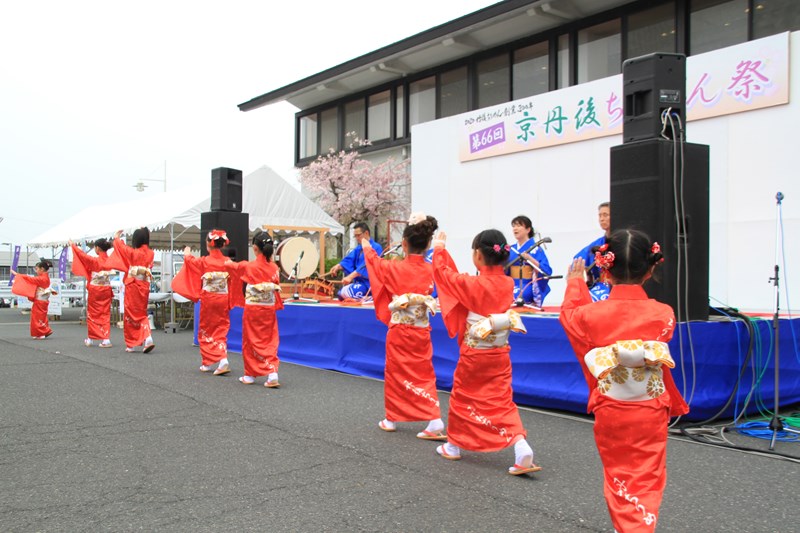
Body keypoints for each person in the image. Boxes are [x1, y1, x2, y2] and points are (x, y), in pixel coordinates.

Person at [559, 229, 689, 532]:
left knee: (618, 471)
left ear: (605, 269)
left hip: (613, 407)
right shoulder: (664, 313)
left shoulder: (590, 315)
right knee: (647, 474)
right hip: (650, 407)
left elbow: (570, 317)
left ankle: (628, 526)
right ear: (651, 267)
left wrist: (576, 284)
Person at [431, 228, 541, 476]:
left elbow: (443, 274)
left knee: (463, 396)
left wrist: (439, 249)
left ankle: (454, 444)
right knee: (501, 399)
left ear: (478, 256)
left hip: (474, 353)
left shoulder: (472, 283)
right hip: (500, 352)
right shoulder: (507, 282)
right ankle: (520, 444)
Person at [362, 212, 446, 440]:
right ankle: (434, 419)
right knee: (424, 374)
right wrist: (440, 249)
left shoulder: (393, 267)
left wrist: (367, 246)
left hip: (400, 330)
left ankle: (391, 418)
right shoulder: (430, 270)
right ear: (428, 243)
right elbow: (444, 270)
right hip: (421, 330)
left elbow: (373, 263)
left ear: (404, 244)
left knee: (396, 372)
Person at [173, 230, 237, 375]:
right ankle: (209, 362)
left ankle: (220, 360)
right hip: (223, 297)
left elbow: (190, 262)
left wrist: (187, 253)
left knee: (206, 329)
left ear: (208, 245)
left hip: (209, 298)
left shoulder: (204, 261)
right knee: (220, 327)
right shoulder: (228, 262)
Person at [225, 230, 283, 387]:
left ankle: (250, 374)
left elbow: (232, 267)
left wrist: (227, 262)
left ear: (255, 248)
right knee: (270, 340)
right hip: (268, 309)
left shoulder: (249, 266)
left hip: (253, 309)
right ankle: (272, 373)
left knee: (250, 340)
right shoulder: (274, 268)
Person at [111, 227, 155, 353]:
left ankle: (137, 341)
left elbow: (121, 248)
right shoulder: (150, 253)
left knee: (131, 314)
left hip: (133, 285)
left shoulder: (133, 253)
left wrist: (117, 237)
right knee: (141, 312)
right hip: (144, 285)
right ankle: (142, 339)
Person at [69, 238, 115, 348]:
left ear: (97, 248)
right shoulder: (110, 260)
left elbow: (82, 255)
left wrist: (73, 246)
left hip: (95, 289)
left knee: (93, 314)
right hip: (106, 288)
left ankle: (91, 338)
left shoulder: (95, 261)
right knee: (105, 313)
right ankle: (105, 339)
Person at [328, 222, 383, 300]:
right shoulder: (358, 248)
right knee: (341, 294)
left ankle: (370, 297)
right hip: (359, 283)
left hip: (369, 284)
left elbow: (367, 265)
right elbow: (349, 259)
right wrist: (338, 266)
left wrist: (350, 277)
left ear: (366, 233)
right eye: (355, 236)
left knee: (347, 293)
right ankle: (363, 298)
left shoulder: (376, 247)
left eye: (358, 235)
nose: (357, 238)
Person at [506, 215, 552, 306]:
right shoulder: (511, 249)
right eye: (514, 226)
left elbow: (546, 270)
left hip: (527, 284)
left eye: (519, 226)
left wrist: (530, 259)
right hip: (511, 284)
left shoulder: (536, 249)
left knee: (522, 294)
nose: (515, 228)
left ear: (528, 229)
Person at [573, 202, 611, 301]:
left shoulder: (624, 241)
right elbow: (578, 259)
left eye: (605, 215)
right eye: (600, 216)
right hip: (601, 286)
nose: (602, 219)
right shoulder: (597, 244)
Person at [11, 260, 54, 339]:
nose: (36, 270)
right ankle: (41, 332)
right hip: (42, 300)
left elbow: (30, 279)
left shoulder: (42, 278)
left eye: (37, 269)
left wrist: (17, 275)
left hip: (40, 300)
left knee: (38, 317)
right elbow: (31, 279)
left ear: (42, 269)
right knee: (39, 317)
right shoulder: (44, 277)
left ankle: (41, 332)